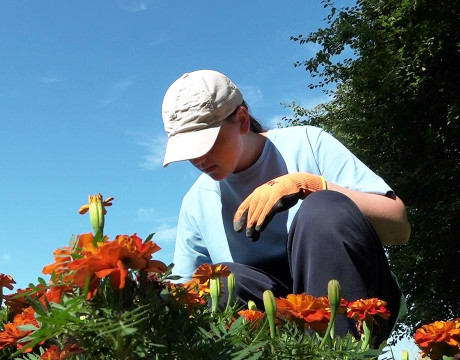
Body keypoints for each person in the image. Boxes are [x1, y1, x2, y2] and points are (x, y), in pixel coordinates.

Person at [160, 69, 411, 345]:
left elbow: (399, 227)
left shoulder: (308, 144)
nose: (198, 159)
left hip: (354, 302)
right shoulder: (196, 202)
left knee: (323, 209)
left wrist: (311, 186)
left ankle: (341, 352)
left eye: (206, 143)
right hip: (272, 318)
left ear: (242, 121)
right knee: (215, 283)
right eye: (188, 151)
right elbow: (184, 296)